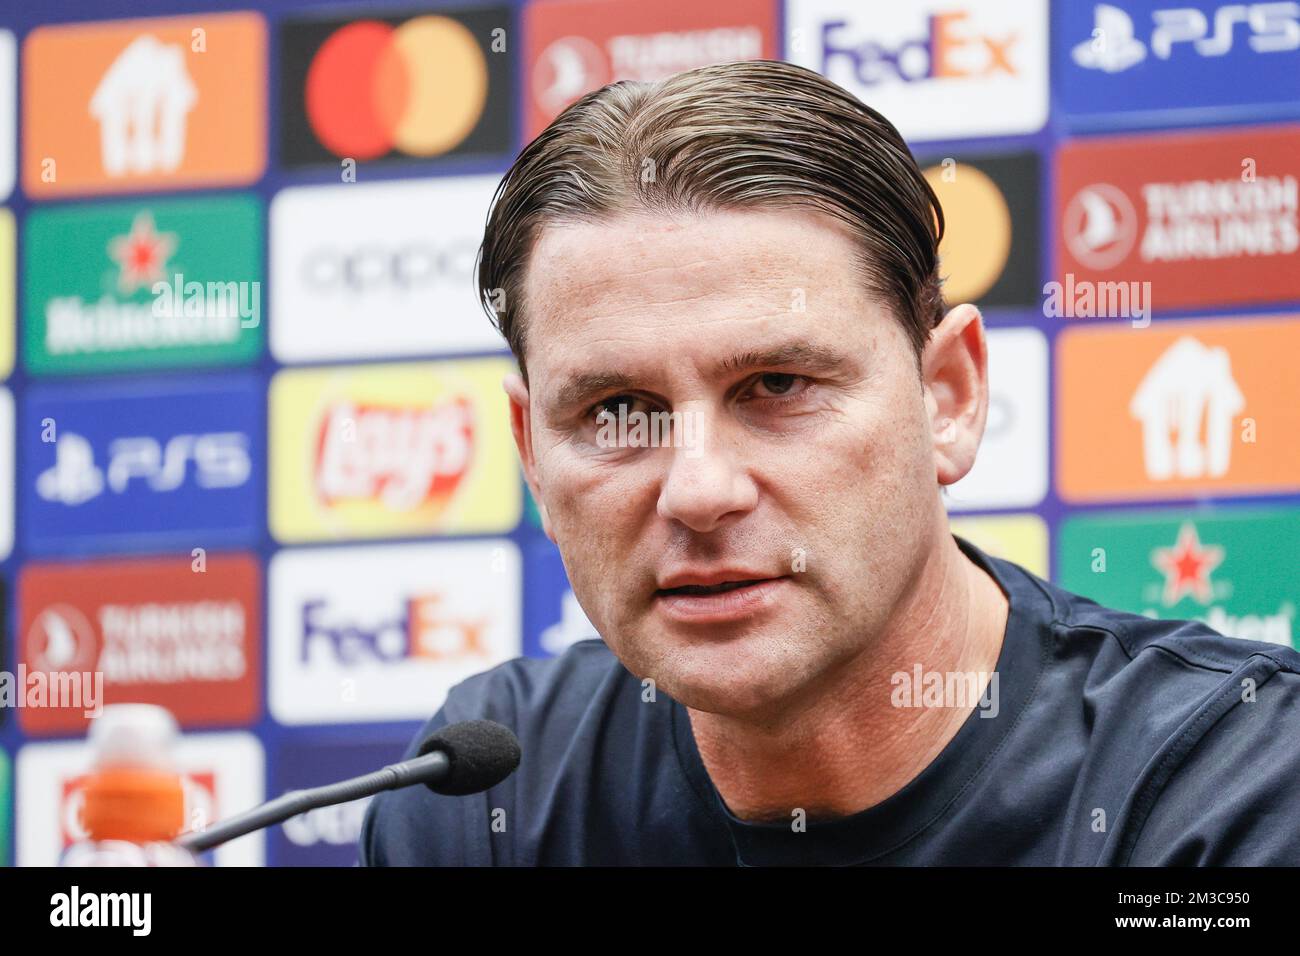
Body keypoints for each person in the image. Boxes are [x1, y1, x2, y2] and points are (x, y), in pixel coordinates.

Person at [360, 59, 1300, 866]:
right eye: (617, 410)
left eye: (776, 386)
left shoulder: (1232, 791)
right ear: (530, 451)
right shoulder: (483, 800)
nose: (698, 489)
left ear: (949, 399)